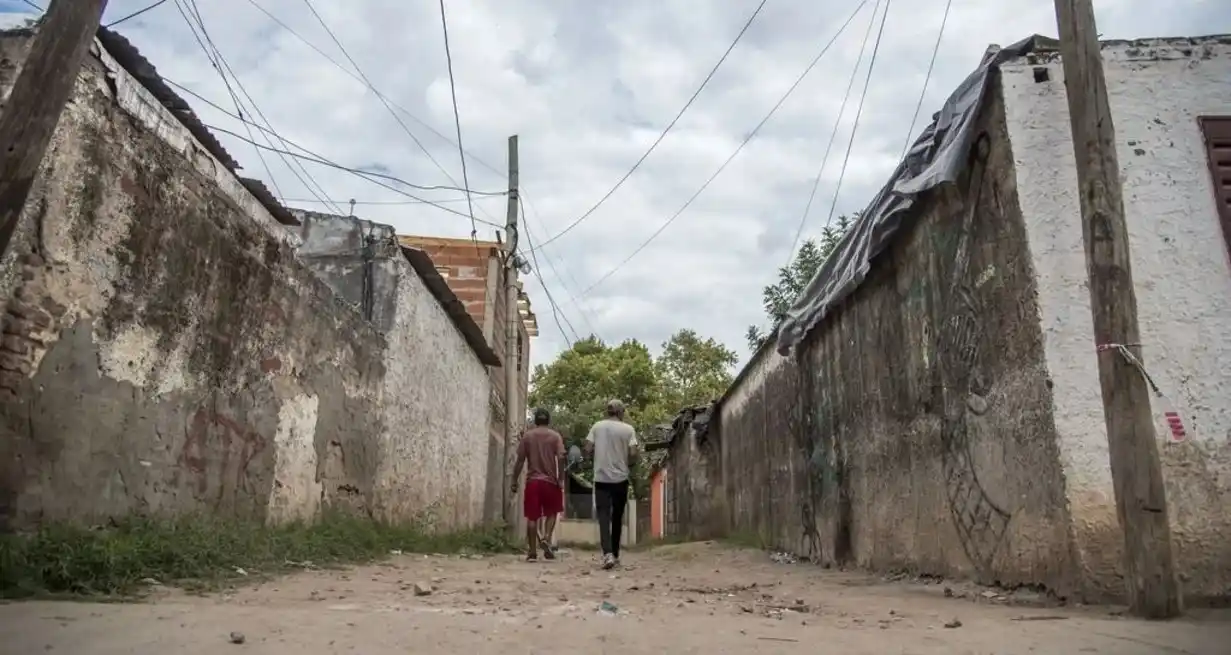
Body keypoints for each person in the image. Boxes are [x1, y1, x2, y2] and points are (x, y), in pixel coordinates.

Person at [584, 399, 639, 570]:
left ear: (608, 411)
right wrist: (627, 463)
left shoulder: (597, 426)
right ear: (621, 412)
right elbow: (633, 453)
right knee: (617, 517)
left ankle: (607, 553)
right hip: (620, 480)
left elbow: (587, 449)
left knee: (603, 516)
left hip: (601, 479)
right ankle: (615, 554)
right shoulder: (628, 430)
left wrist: (594, 458)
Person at [511, 408, 566, 561]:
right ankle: (546, 538)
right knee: (552, 512)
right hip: (550, 482)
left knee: (532, 517)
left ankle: (532, 552)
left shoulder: (528, 437)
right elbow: (561, 457)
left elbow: (520, 461)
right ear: (548, 421)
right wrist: (561, 478)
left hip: (533, 482)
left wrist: (514, 481)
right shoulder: (555, 436)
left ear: (535, 420)